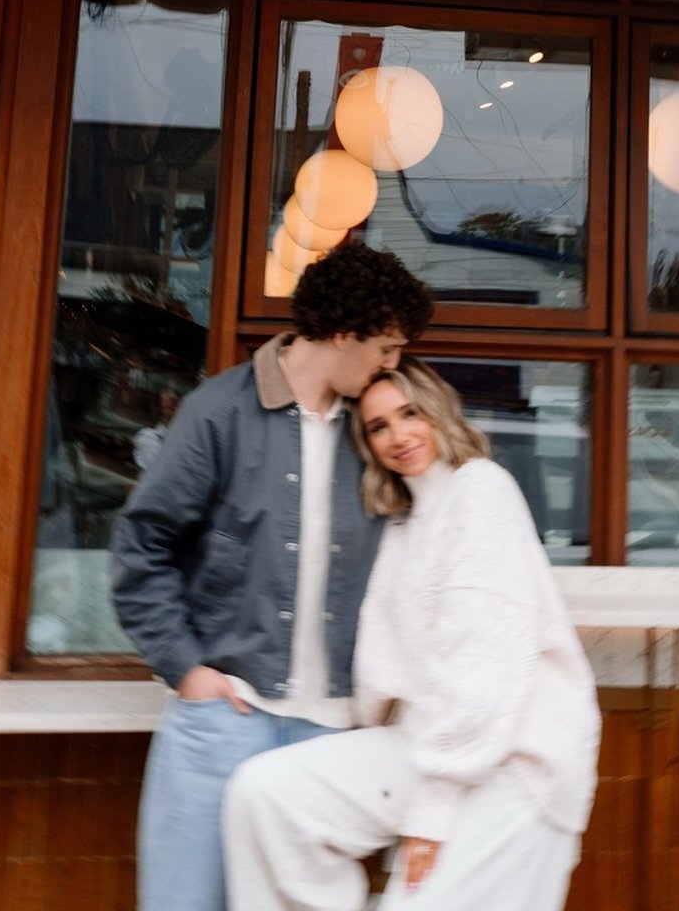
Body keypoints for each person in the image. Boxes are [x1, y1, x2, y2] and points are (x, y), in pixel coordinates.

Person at [110, 242, 435, 911]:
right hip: (226, 716)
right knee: (184, 901)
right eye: (386, 346)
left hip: (330, 727)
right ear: (346, 331)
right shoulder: (219, 412)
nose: (392, 364)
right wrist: (186, 670)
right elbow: (143, 545)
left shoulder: (370, 431)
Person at [223, 357, 601, 911]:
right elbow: (391, 670)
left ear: (437, 411)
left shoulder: (482, 491)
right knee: (263, 795)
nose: (398, 435)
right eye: (378, 426)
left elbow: (481, 666)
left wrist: (431, 812)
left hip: (514, 761)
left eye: (409, 413)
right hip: (430, 745)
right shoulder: (402, 524)